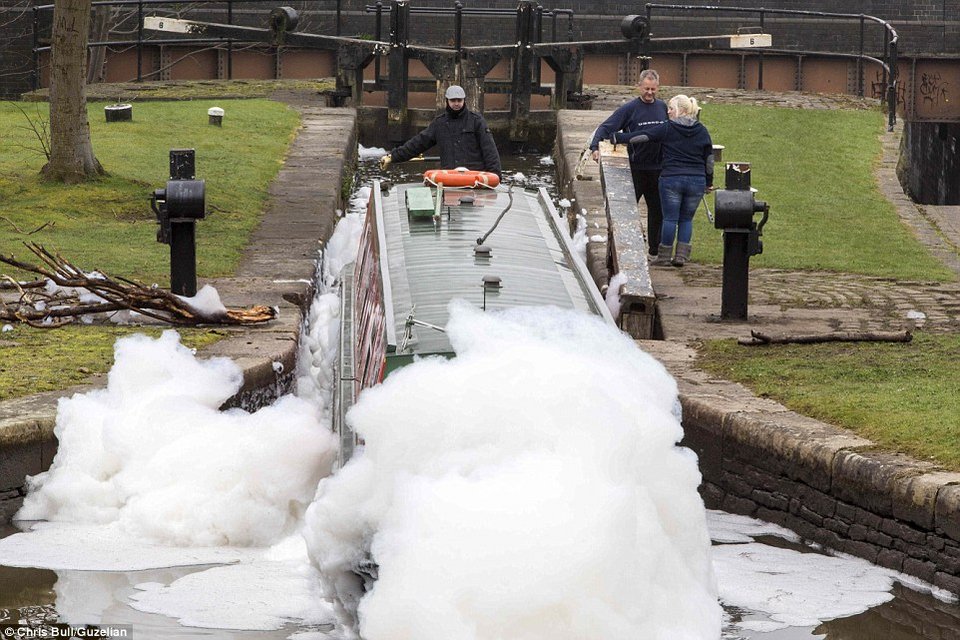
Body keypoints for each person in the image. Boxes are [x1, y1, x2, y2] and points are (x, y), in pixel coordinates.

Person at [617, 94, 714, 267]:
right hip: (696, 181)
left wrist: (619, 138)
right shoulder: (702, 130)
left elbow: (643, 136)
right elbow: (709, 160)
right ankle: (681, 257)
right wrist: (708, 181)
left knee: (669, 218)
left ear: (681, 111)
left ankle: (663, 257)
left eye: (671, 108)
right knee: (686, 219)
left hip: (672, 179)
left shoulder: (667, 128)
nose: (667, 112)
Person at [588, 69, 668, 257]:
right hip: (636, 168)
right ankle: (624, 248)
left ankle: (654, 250)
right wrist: (595, 147)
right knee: (628, 210)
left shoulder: (663, 107)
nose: (649, 93)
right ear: (639, 87)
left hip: (658, 168)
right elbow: (606, 127)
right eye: (646, 89)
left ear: (658, 88)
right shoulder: (630, 109)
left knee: (657, 211)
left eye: (653, 89)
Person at [379, 85, 502, 176]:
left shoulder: (477, 121)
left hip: (475, 176)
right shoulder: (439, 123)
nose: (456, 103)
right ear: (447, 101)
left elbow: (490, 150)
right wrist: (393, 156)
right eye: (453, 100)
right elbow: (418, 143)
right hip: (450, 177)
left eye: (459, 100)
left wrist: (495, 175)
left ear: (464, 100)